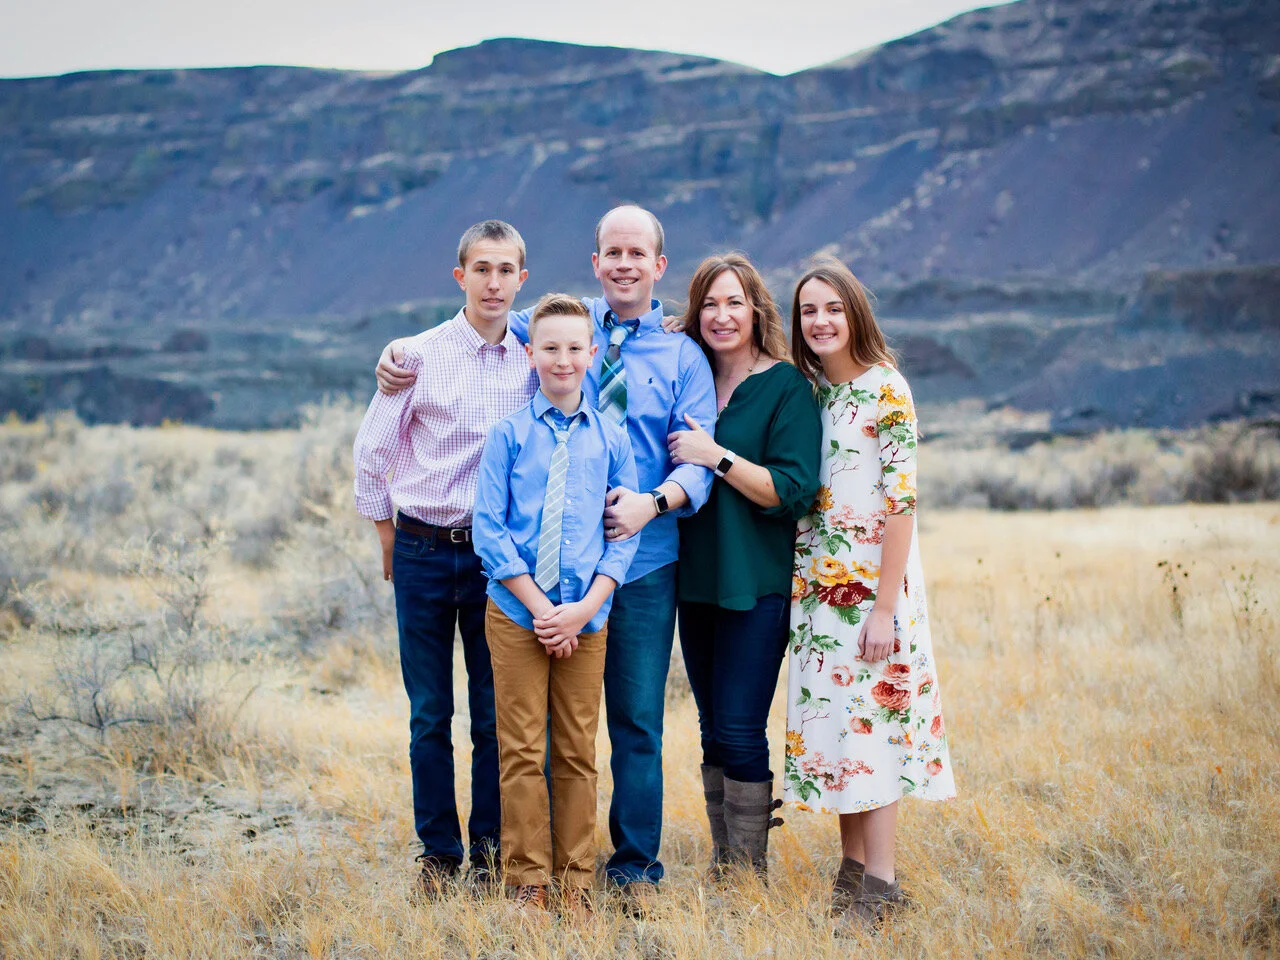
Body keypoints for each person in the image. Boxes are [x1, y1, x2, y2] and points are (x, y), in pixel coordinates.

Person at [375, 205, 716, 909]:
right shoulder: (558, 325)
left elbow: (698, 461)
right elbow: (485, 312)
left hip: (639, 561)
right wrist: (397, 354)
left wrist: (651, 503)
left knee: (632, 726)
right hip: (540, 575)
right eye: (612, 252)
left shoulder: (682, 354)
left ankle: (630, 871)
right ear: (596, 263)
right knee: (527, 733)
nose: (624, 264)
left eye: (638, 254)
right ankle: (527, 868)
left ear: (659, 265)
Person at [352, 220, 536, 899]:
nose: (493, 282)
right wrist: (387, 535)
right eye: (481, 269)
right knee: (430, 713)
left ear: (522, 278)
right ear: (460, 276)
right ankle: (437, 854)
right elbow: (372, 450)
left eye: (506, 270)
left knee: (494, 716)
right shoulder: (417, 356)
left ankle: (488, 854)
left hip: (497, 560)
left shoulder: (535, 356)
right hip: (424, 550)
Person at [784, 258, 956, 934]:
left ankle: (883, 886)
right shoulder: (818, 394)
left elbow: (901, 505)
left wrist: (884, 609)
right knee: (840, 731)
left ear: (856, 313)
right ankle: (851, 872)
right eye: (809, 311)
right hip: (819, 596)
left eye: (833, 308)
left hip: (873, 594)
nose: (821, 321)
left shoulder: (887, 388)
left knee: (875, 730)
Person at [473, 294, 638, 921]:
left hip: (587, 617)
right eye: (550, 348)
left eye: (574, 348)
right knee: (520, 748)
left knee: (575, 750)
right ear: (530, 353)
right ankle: (528, 881)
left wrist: (583, 609)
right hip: (518, 613)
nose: (562, 359)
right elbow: (489, 529)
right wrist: (543, 609)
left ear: (592, 354)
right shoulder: (508, 435)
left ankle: (575, 882)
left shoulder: (612, 438)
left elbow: (623, 536)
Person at [664, 254, 821, 882]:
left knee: (739, 727)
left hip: (755, 584)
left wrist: (715, 455)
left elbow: (790, 490)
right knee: (710, 729)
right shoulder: (689, 375)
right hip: (694, 581)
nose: (722, 315)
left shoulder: (786, 387)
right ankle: (723, 863)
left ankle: (748, 873)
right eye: (709, 304)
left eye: (734, 302)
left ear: (757, 309)